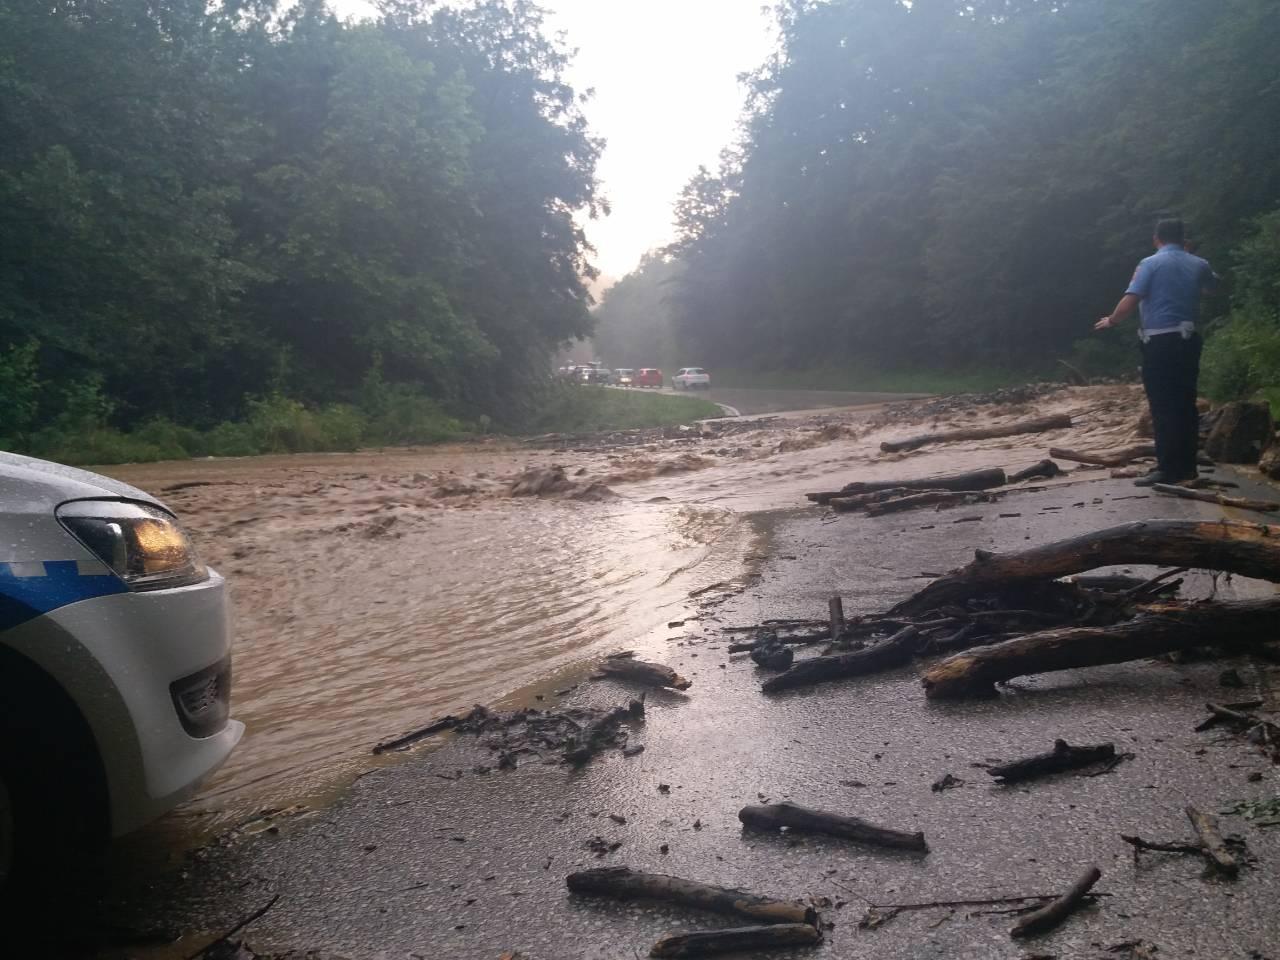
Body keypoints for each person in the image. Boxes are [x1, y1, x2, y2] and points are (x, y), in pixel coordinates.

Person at [1095, 218, 1217, 486]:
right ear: (1183, 238)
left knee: (1162, 406)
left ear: (1156, 238)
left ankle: (1168, 469)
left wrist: (1112, 320)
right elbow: (1211, 289)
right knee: (1186, 403)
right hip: (1189, 339)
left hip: (1160, 342)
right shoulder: (1199, 263)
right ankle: (1188, 467)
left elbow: (1131, 298)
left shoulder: (1149, 263)